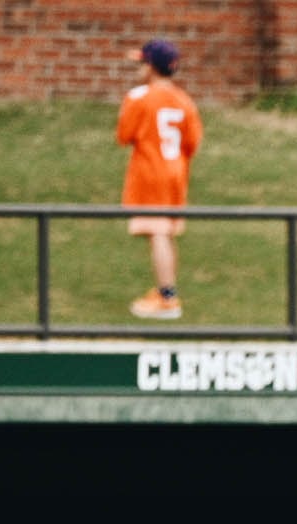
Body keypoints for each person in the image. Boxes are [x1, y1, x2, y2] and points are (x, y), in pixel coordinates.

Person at [116, 38, 202, 321]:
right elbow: (193, 142)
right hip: (176, 173)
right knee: (164, 232)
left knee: (158, 233)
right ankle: (165, 289)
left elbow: (124, 135)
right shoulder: (184, 100)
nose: (138, 69)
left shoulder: (140, 97)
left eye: (141, 64)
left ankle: (167, 297)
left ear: (151, 67)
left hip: (151, 172)